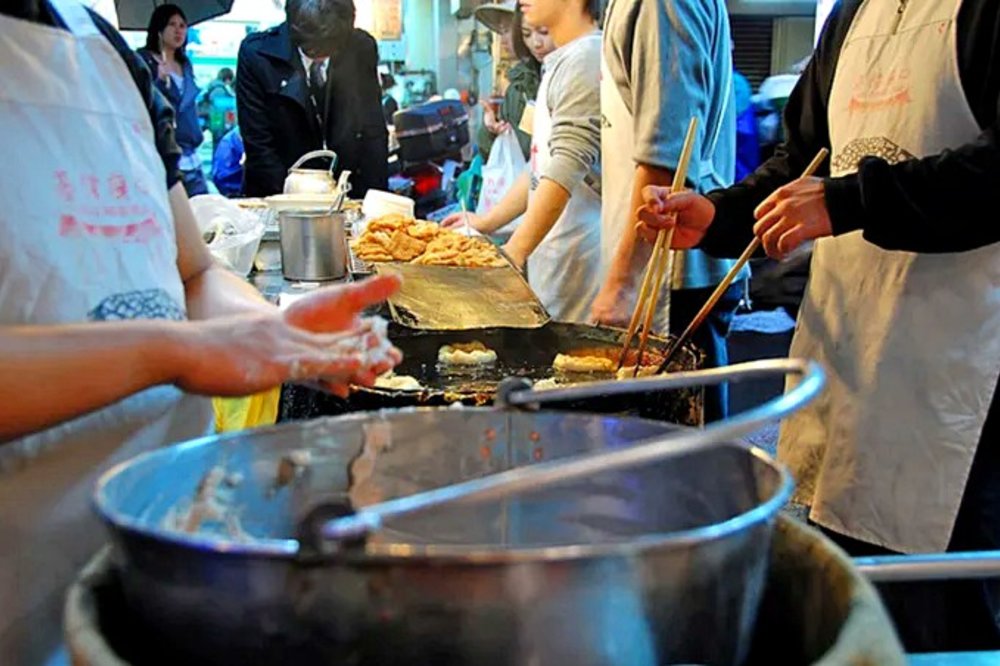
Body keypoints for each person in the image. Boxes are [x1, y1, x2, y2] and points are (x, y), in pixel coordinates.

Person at [0, 2, 402, 663]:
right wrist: (175, 351)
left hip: (164, 551)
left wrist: (270, 329)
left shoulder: (99, 51)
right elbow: (180, 331)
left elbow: (191, 273)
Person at [637, 0, 1000, 651]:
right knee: (846, 605)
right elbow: (802, 161)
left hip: (960, 381)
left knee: (942, 621)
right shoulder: (856, 14)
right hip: (850, 358)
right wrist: (718, 216)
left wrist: (853, 200)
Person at [594, 0, 745, 422]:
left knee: (678, 459)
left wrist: (624, 284)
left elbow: (668, 158)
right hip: (663, 270)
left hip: (670, 277)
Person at [441, 0, 603, 324]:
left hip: (580, 258)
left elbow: (568, 162)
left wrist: (514, 252)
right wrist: (487, 222)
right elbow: (540, 164)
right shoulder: (560, 62)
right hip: (554, 255)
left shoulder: (586, 57)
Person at [236, 0, 389, 198]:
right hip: (279, 190)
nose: (320, 57)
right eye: (312, 50)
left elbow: (373, 128)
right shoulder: (257, 55)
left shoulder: (360, 48)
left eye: (330, 49)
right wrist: (293, 201)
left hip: (345, 186)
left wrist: (373, 199)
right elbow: (258, 142)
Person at [137, 4, 208, 197]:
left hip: (192, 156)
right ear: (159, 29)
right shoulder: (144, 61)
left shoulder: (185, 64)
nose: (178, 30)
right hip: (164, 155)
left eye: (183, 25)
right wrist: (159, 81)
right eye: (172, 24)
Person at [474, 1, 554, 162]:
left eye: (508, 30)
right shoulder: (518, 85)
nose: (503, 40)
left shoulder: (566, 71)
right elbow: (490, 154)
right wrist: (492, 131)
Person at [198, 67, 237, 150]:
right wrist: (226, 127)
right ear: (227, 79)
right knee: (219, 149)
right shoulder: (219, 90)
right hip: (218, 125)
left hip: (215, 123)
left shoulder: (213, 86)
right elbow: (219, 111)